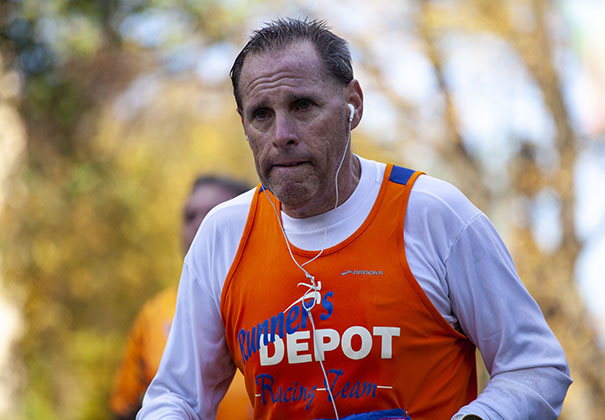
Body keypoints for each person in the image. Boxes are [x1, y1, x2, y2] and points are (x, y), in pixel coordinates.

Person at [138, 18, 572, 420]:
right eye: (261, 115)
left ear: (353, 105)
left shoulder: (433, 214)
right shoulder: (223, 235)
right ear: (243, 123)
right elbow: (175, 397)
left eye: (303, 106)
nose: (281, 135)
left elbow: (535, 365)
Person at [109, 175, 252, 420]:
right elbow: (125, 408)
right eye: (189, 216)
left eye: (210, 214)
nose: (198, 225)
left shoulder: (286, 298)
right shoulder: (154, 312)